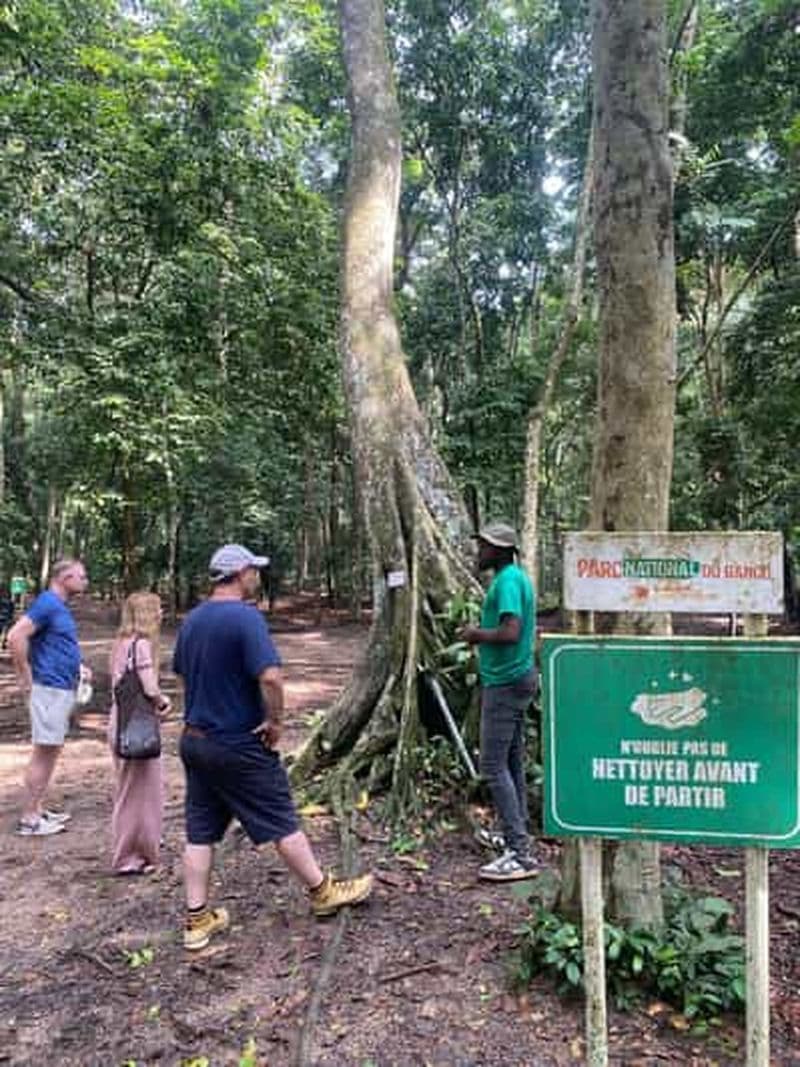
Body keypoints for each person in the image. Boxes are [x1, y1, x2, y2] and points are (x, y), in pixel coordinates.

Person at [173, 543, 373, 950]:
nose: (257, 577)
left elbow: (182, 675)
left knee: (200, 832)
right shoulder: (245, 618)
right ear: (240, 573)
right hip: (237, 743)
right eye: (254, 571)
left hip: (194, 741)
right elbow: (271, 677)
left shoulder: (193, 619)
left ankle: (196, 920)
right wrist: (276, 720)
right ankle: (322, 892)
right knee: (282, 820)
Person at [459, 523, 537, 881]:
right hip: (515, 678)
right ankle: (516, 835)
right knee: (511, 762)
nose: (480, 551)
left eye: (485, 546)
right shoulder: (515, 578)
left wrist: (475, 634)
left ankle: (519, 855)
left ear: (502, 550)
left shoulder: (507, 581)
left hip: (506, 682)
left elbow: (510, 632)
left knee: (492, 765)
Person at [8, 559, 90, 836]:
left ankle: (38, 808)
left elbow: (54, 644)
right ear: (65, 578)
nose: (85, 581)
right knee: (44, 752)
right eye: (81, 576)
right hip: (49, 687)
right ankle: (30, 818)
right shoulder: (47, 604)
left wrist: (77, 666)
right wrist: (25, 675)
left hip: (60, 686)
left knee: (50, 750)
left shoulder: (57, 607)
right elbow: (15, 636)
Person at [108, 592, 171, 875]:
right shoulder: (142, 645)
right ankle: (135, 855)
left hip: (118, 721)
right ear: (147, 614)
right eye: (157, 609)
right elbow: (149, 687)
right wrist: (162, 701)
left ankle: (134, 851)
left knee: (128, 790)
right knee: (145, 793)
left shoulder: (120, 644)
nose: (161, 613)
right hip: (138, 726)